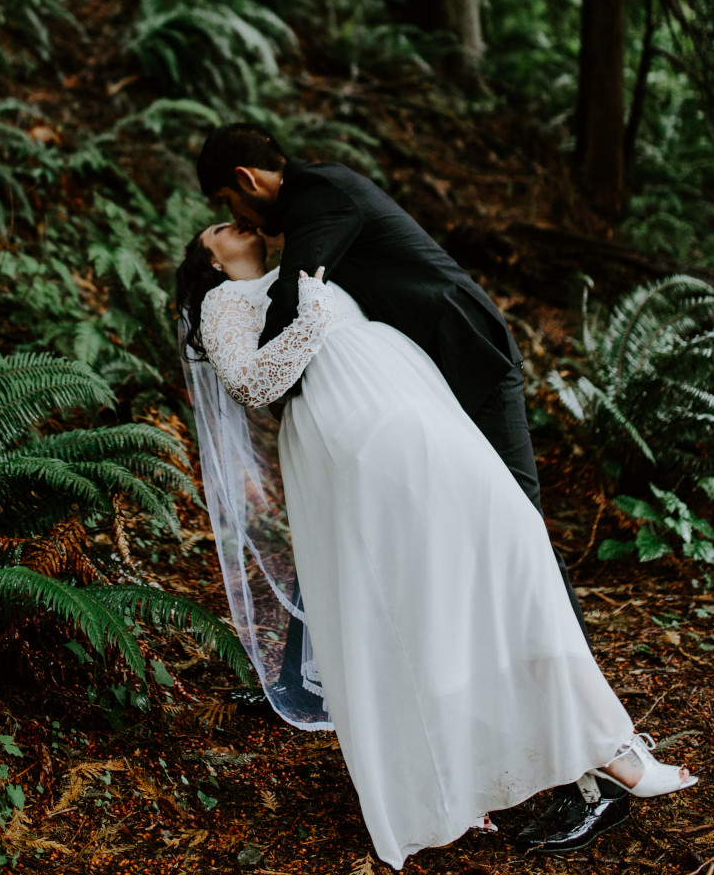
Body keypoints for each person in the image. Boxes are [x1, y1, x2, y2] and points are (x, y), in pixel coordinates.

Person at [175, 123, 698, 859]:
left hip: (458, 378)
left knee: (511, 549)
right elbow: (270, 361)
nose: (237, 222)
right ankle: (511, 764)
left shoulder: (317, 201)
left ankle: (595, 752)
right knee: (438, 578)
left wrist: (313, 306)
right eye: (220, 225)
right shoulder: (257, 286)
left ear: (248, 178)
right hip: (381, 428)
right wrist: (307, 309)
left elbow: (305, 304)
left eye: (231, 203)